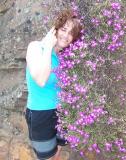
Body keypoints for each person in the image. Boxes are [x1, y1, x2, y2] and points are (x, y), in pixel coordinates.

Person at [24, 9, 82, 160]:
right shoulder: (36, 47)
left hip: (61, 112)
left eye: (71, 33)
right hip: (40, 114)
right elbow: (41, 80)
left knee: (57, 153)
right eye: (64, 29)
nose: (66, 36)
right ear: (55, 29)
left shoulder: (63, 58)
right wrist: (49, 47)